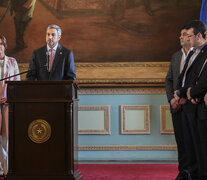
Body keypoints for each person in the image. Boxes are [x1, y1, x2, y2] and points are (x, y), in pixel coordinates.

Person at [174, 20, 207, 179]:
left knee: (202, 149)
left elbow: (202, 80)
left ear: (199, 35)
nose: (187, 39)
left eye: (189, 35)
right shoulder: (195, 53)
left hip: (199, 105)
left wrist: (191, 93)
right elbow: (185, 77)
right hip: (189, 105)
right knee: (192, 147)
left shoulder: (204, 53)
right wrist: (179, 93)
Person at [165, 26, 193, 180]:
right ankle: (183, 172)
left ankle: (193, 172)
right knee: (181, 142)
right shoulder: (176, 56)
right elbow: (169, 79)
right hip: (176, 107)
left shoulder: (199, 55)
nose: (180, 37)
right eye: (180, 35)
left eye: (184, 34)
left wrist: (185, 97)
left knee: (193, 142)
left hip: (191, 105)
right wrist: (171, 99)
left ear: (192, 36)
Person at [0, 35, 20, 176]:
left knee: (6, 136)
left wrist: (9, 97)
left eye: (1, 44)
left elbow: (17, 84)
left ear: (5, 46)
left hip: (8, 103)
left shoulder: (12, 62)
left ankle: (6, 168)